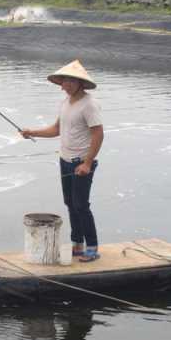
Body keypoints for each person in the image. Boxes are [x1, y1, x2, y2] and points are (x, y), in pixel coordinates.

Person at [21, 60, 104, 262]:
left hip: (81, 162)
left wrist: (86, 163)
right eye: (61, 81)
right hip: (65, 160)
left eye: (66, 81)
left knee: (81, 205)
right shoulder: (65, 103)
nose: (62, 86)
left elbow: (98, 134)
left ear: (78, 82)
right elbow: (56, 130)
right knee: (70, 203)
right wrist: (33, 132)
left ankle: (92, 247)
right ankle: (77, 244)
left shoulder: (89, 105)